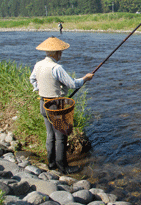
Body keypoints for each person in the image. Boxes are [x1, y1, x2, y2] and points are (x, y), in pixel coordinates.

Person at [30, 36, 94, 174]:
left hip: (43, 103)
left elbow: (32, 79)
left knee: (50, 135)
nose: (61, 54)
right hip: (56, 107)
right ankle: (63, 167)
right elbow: (72, 84)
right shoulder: (56, 67)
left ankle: (51, 164)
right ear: (56, 53)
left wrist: (40, 89)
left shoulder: (38, 64)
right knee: (61, 137)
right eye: (60, 52)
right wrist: (86, 78)